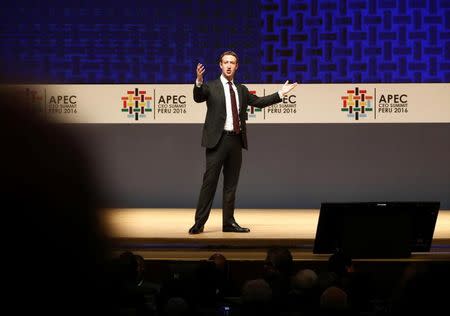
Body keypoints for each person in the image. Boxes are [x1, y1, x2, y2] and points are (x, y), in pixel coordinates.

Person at [189, 51, 297, 234]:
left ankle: (228, 223)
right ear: (220, 65)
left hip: (236, 141)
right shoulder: (211, 86)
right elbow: (198, 97)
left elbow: (260, 102)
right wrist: (199, 81)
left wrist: (280, 93)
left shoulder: (242, 90)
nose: (229, 65)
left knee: (231, 185)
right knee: (209, 184)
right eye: (226, 62)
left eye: (232, 62)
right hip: (217, 141)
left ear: (237, 66)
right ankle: (199, 223)